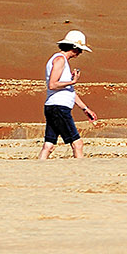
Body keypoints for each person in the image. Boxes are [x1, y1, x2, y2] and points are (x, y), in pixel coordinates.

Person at [39, 30, 98, 158]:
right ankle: (79, 174)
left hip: (53, 107)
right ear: (74, 47)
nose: (80, 53)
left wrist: (85, 108)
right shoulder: (60, 60)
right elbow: (53, 84)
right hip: (59, 108)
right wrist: (72, 81)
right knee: (78, 144)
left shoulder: (61, 61)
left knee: (48, 145)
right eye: (80, 49)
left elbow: (69, 91)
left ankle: (38, 171)